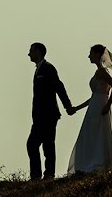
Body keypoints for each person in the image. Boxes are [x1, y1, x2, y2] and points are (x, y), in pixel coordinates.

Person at [67, 44, 112, 173]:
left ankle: (98, 163)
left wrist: (108, 105)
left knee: (98, 134)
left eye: (91, 53)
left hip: (101, 107)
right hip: (95, 106)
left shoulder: (102, 71)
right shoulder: (99, 71)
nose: (89, 56)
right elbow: (94, 96)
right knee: (91, 134)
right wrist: (77, 108)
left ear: (97, 55)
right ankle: (91, 163)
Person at [26, 42, 73, 181]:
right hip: (39, 116)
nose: (29, 54)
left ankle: (47, 175)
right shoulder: (38, 69)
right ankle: (39, 175)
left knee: (45, 144)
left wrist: (67, 105)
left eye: (31, 51)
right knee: (35, 144)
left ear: (38, 52)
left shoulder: (48, 68)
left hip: (48, 114)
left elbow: (59, 86)